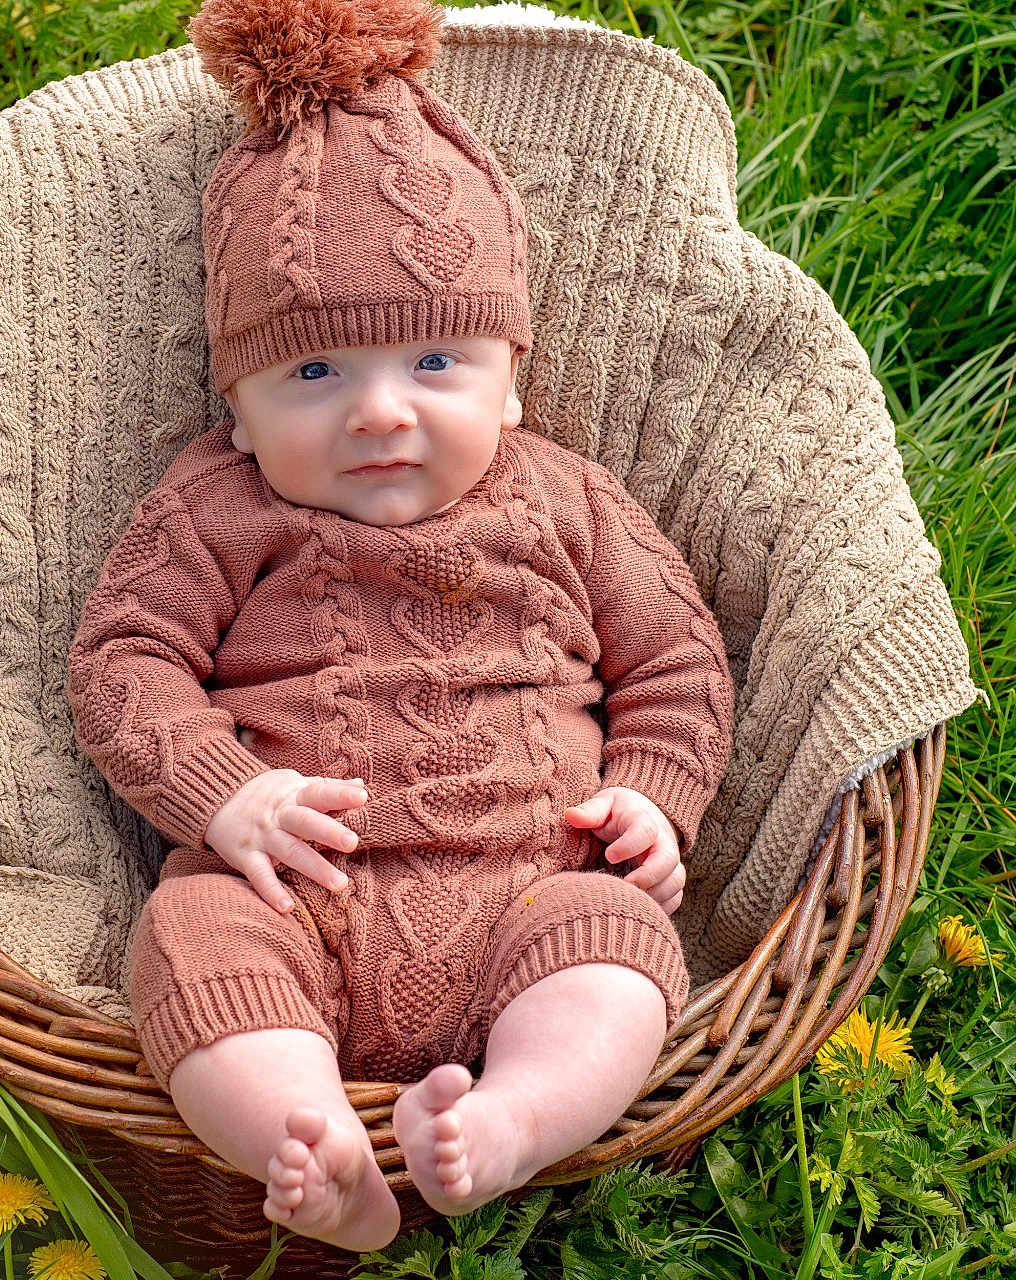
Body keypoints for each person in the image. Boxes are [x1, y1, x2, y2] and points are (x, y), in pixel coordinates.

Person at [65, 0, 735, 1254]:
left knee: (618, 950)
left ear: (510, 379)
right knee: (192, 940)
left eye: (435, 363)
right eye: (313, 374)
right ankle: (310, 1141)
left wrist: (652, 794)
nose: (379, 412)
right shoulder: (212, 507)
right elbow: (122, 661)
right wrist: (223, 796)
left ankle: (510, 1120)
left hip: (535, 889)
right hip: (290, 891)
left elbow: (675, 661)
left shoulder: (568, 501)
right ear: (238, 407)